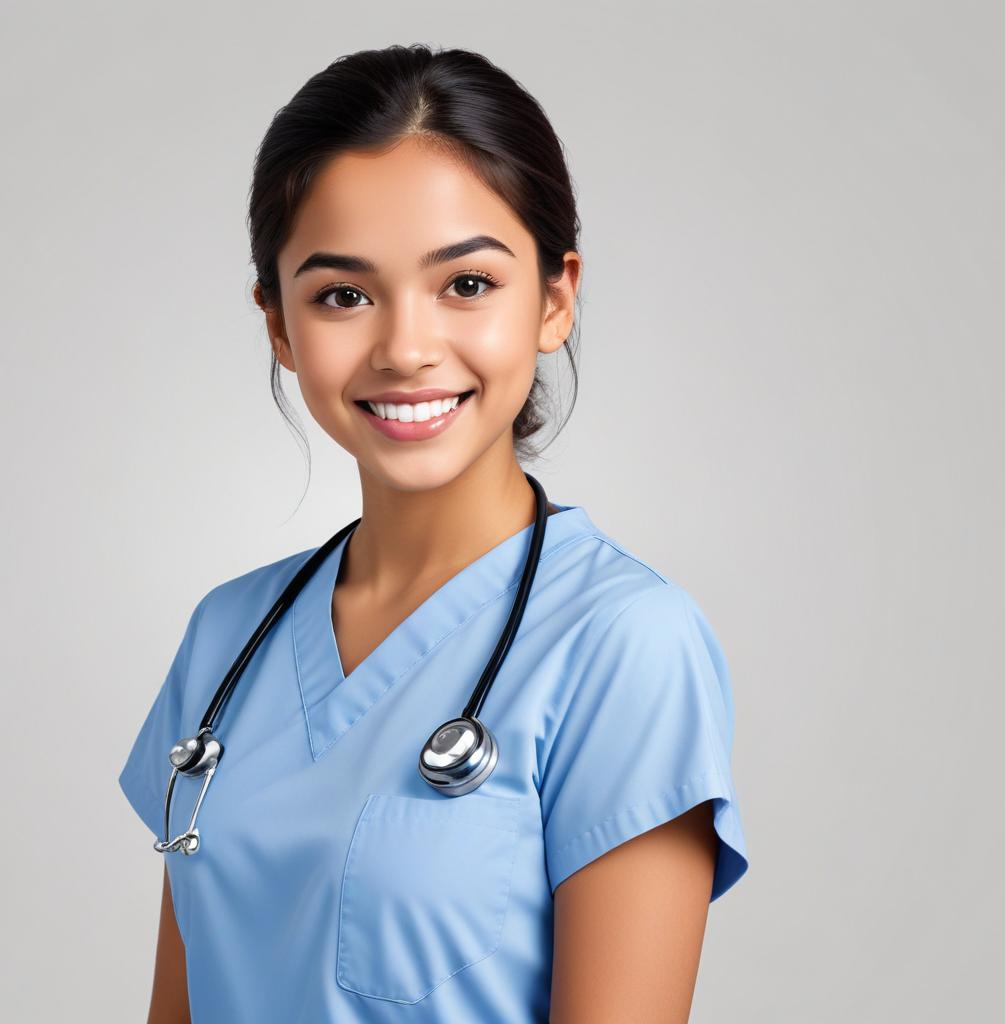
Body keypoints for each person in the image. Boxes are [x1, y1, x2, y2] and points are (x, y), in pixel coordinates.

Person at [117, 43, 750, 1024]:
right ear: (279, 326)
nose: (405, 347)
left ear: (553, 297)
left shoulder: (623, 645)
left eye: (466, 285)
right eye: (342, 294)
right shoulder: (227, 637)